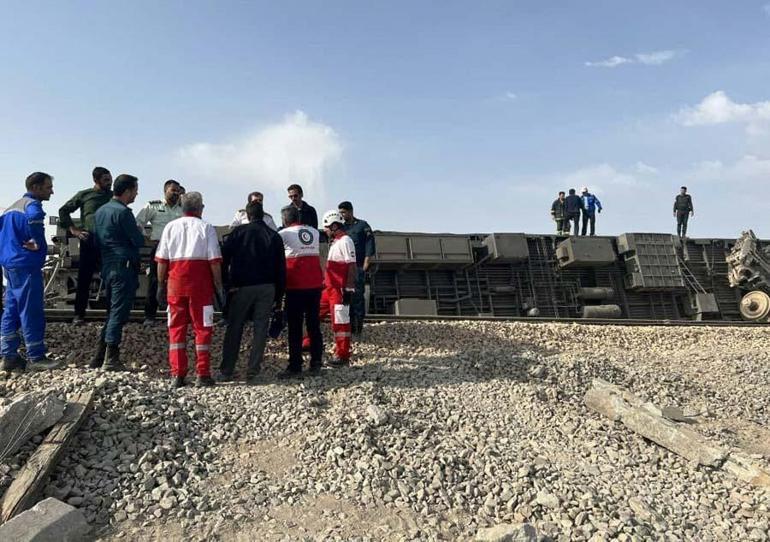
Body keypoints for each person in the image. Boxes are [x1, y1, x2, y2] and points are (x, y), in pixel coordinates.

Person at [155, 192, 223, 388]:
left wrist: (161, 285)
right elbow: (214, 262)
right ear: (200, 208)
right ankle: (202, 374)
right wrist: (219, 287)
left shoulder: (170, 227)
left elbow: (162, 260)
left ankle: (178, 374)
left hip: (175, 286)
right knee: (203, 329)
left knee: (176, 330)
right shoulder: (206, 228)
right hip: (200, 287)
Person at [0, 172, 61, 371]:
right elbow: (35, 220)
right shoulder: (32, 206)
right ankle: (36, 356)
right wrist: (38, 243)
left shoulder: (11, 208)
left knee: (11, 309)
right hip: (26, 265)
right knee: (31, 309)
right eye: (48, 187)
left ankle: (9, 356)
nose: (52, 191)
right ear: (35, 187)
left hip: (10, 264)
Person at [219, 201, 286, 382]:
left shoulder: (237, 233)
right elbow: (281, 268)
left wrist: (226, 284)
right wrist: (279, 296)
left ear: (247, 216)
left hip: (241, 287)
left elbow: (223, 259)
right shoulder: (274, 236)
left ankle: (226, 370)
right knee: (260, 328)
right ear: (263, 215)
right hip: (267, 288)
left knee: (235, 327)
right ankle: (253, 370)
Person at [91, 174, 144, 371]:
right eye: (135, 190)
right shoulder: (123, 213)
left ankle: (98, 356)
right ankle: (111, 358)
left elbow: (96, 241)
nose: (136, 194)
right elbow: (138, 241)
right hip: (124, 267)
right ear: (128, 190)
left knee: (111, 311)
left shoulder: (100, 212)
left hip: (108, 266)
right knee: (119, 313)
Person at [58, 167, 113, 324]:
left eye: (110, 180)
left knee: (111, 278)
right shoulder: (84, 195)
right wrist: (73, 230)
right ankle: (79, 314)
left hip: (108, 242)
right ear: (96, 180)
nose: (109, 183)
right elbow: (64, 211)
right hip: (89, 239)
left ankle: (112, 316)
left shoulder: (113, 196)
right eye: (106, 180)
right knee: (84, 279)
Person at [278, 205, 324, 377]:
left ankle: (295, 365)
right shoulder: (314, 232)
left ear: (284, 220)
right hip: (315, 285)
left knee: (295, 327)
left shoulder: (282, 234)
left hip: (295, 286)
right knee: (314, 325)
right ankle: (316, 362)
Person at [135, 180, 183, 326]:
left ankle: (178, 315)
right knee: (155, 282)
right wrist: (145, 239)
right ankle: (150, 316)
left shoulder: (183, 208)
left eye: (178, 191)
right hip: (159, 248)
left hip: (178, 250)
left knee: (180, 282)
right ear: (165, 191)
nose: (176, 193)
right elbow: (138, 222)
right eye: (173, 190)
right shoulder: (153, 206)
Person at [319, 210, 357, 367]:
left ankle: (342, 355)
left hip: (339, 290)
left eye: (327, 228)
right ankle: (307, 342)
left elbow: (352, 266)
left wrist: (348, 289)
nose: (326, 231)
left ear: (334, 226)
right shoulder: (336, 242)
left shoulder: (346, 241)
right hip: (329, 289)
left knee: (340, 323)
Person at [337, 201, 375, 335]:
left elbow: (370, 244)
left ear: (351, 211)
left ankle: (358, 328)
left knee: (357, 297)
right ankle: (348, 326)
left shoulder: (362, 226)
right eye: (340, 212)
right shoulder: (340, 228)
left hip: (358, 267)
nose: (342, 215)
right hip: (343, 268)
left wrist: (366, 263)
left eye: (344, 212)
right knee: (344, 298)